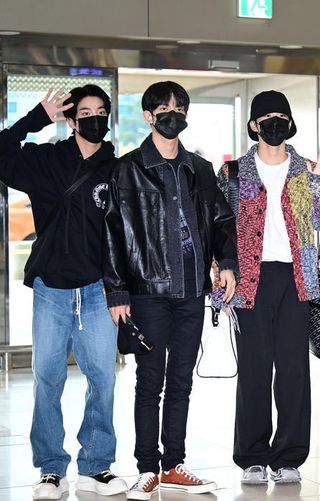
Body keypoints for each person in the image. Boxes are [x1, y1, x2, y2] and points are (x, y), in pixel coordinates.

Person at [103, 81, 237, 500]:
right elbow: (112, 233)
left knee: (181, 381)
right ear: (148, 116)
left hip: (191, 292)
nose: (172, 113)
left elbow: (220, 221)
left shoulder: (199, 167)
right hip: (148, 291)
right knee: (150, 382)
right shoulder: (127, 168)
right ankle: (146, 467)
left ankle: (174, 464)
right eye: (163, 108)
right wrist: (117, 291)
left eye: (179, 107)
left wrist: (227, 262)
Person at [0, 86, 127, 500]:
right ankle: (51, 468)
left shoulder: (118, 169)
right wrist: (36, 116)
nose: (94, 119)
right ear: (71, 121)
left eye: (101, 111)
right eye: (85, 113)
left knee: (103, 379)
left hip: (97, 289)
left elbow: (127, 236)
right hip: (51, 287)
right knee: (47, 379)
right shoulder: (45, 160)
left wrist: (121, 289)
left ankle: (96, 466)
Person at [210, 90, 320, 485]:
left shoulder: (304, 170)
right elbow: (220, 230)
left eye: (281, 115)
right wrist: (220, 279)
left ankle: (288, 457)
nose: (274, 122)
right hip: (250, 278)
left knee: (293, 369)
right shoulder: (234, 173)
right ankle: (251, 455)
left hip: (297, 278)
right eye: (266, 117)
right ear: (253, 125)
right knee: (254, 368)